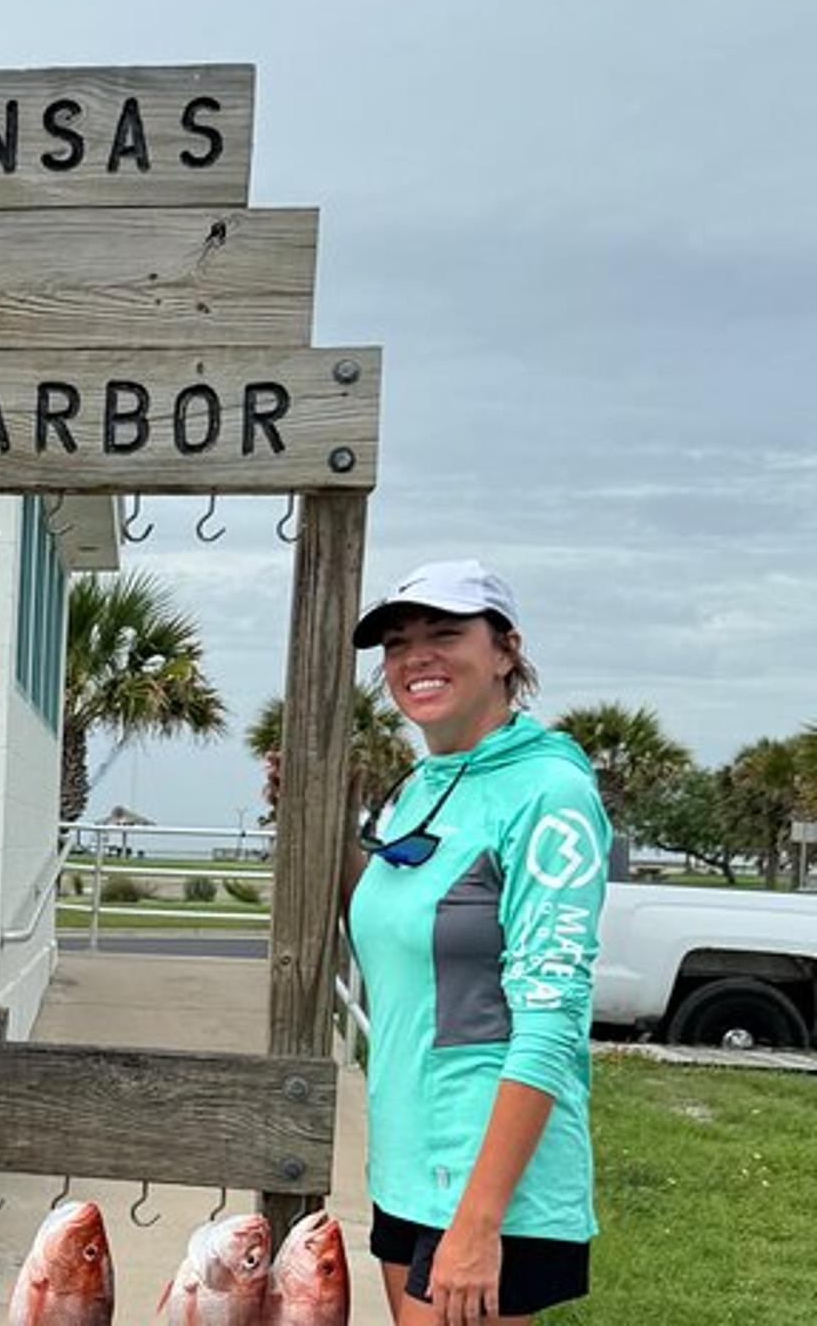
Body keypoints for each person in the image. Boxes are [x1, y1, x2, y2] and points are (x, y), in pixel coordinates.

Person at [344, 562, 606, 1325]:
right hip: (408, 1166)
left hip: (486, 1185)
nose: (415, 656)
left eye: (445, 633)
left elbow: (552, 1019)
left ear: (505, 650)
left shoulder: (550, 793)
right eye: (398, 642)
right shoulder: (422, 784)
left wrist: (479, 1220)